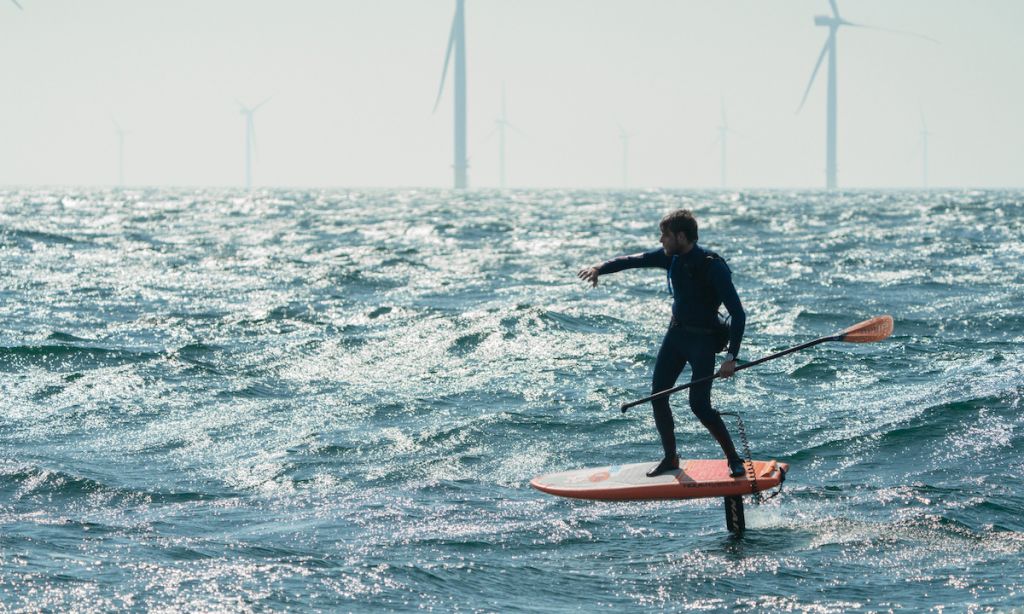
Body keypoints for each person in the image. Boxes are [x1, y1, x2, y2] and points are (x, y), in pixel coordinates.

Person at [578, 209, 748, 478]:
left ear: (681, 236)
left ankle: (733, 459)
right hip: (676, 336)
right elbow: (634, 260)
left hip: (703, 341)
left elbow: (738, 314)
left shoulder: (713, 266)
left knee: (699, 405)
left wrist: (731, 357)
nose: (661, 241)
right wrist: (600, 268)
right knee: (658, 395)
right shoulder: (672, 258)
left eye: (665, 235)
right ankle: (670, 458)